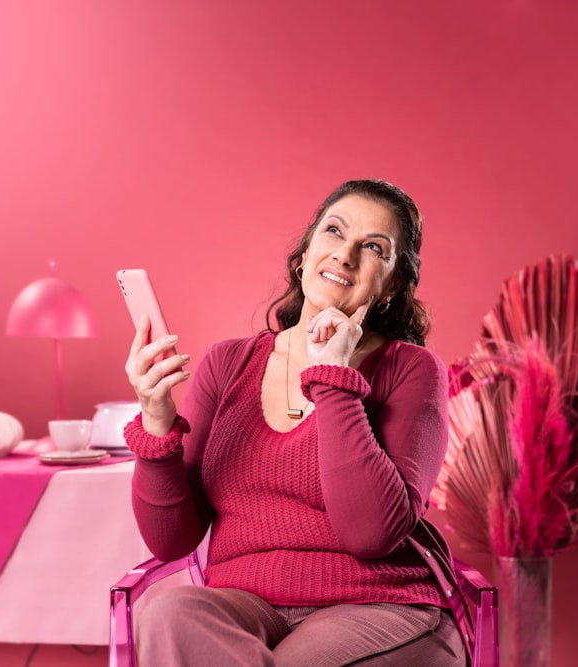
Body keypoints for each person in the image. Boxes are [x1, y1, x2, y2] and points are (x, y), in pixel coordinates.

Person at [123, 179, 466, 666]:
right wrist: (157, 423)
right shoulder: (229, 365)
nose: (345, 255)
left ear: (391, 287)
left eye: (373, 248)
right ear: (305, 255)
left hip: (376, 603)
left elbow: (371, 532)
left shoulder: (411, 370)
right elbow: (172, 539)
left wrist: (333, 378)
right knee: (168, 614)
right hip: (246, 601)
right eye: (333, 232)